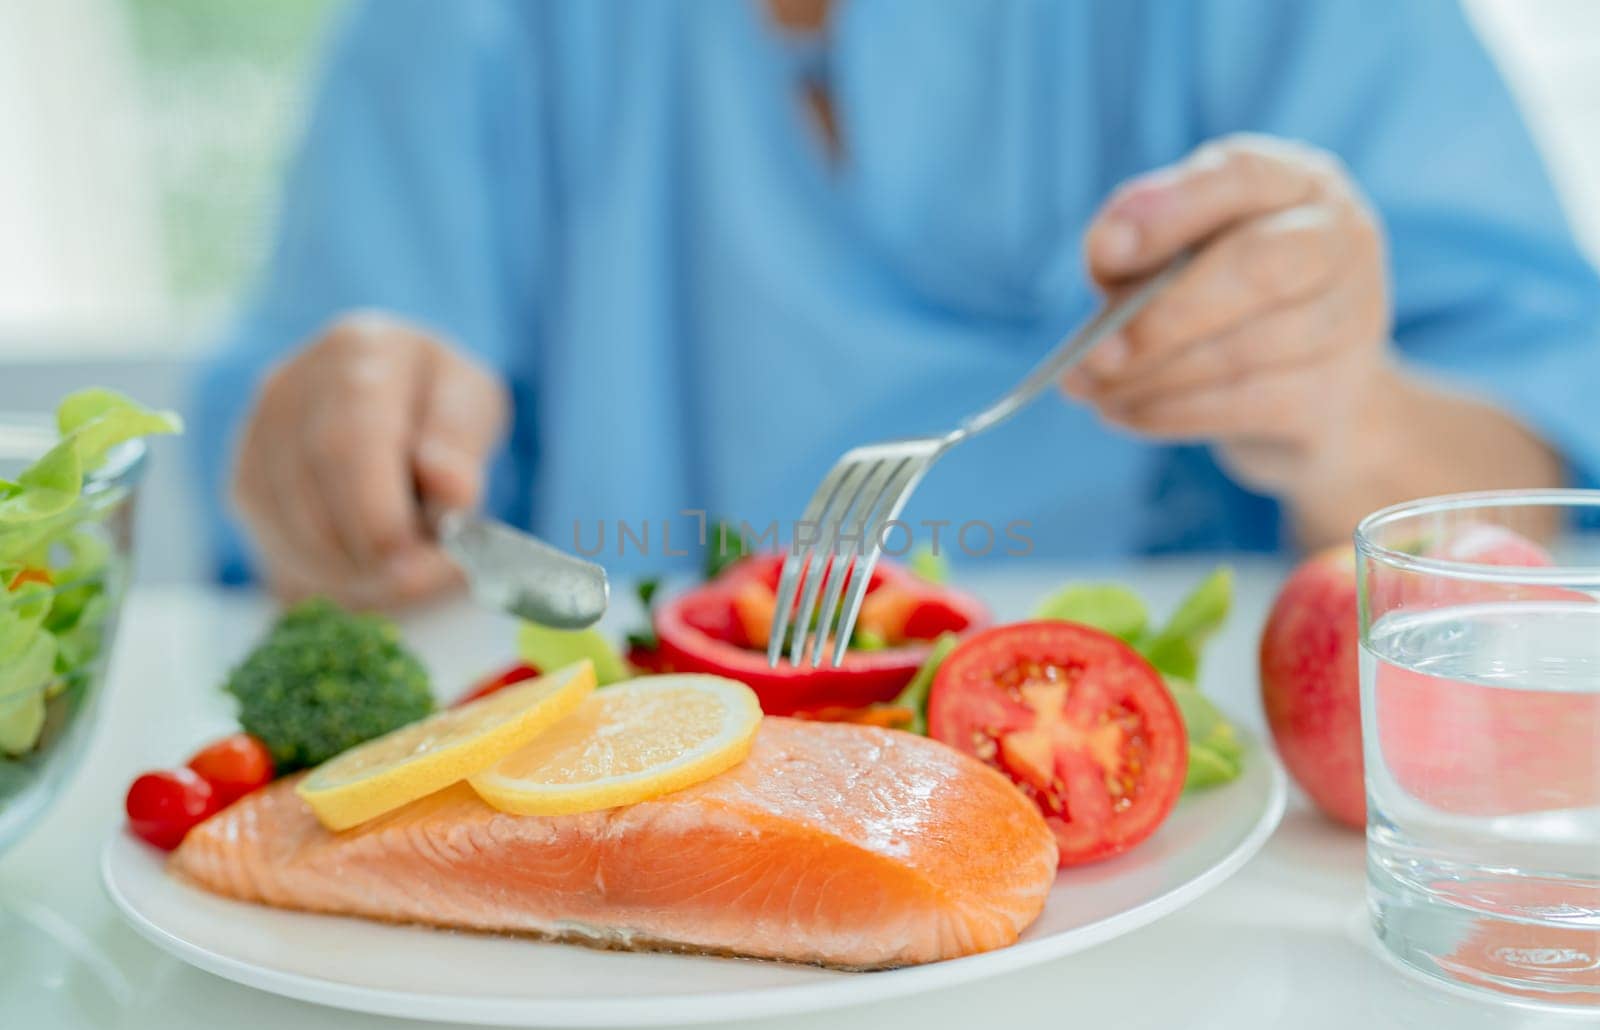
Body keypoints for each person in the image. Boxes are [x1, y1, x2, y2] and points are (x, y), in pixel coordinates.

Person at [194, 0, 1599, 609]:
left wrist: (1353, 414)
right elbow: (300, 497)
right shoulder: (467, 29)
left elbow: (1531, 500)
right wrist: (331, 470)